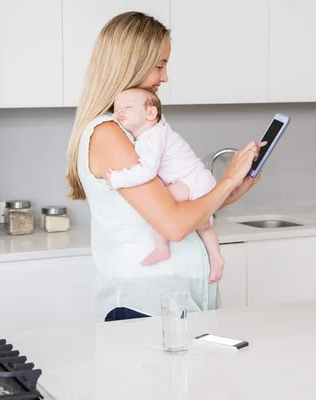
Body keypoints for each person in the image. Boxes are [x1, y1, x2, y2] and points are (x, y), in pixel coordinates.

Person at [65, 11, 264, 322]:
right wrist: (225, 180)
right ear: (129, 63)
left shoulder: (134, 130)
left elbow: (176, 207)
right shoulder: (108, 133)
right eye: (160, 65)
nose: (165, 77)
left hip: (171, 303)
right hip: (142, 305)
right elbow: (174, 225)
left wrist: (231, 192)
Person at [105, 87, 231, 285]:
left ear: (151, 113)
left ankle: (162, 248)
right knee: (204, 227)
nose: (119, 112)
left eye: (128, 107)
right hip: (198, 179)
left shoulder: (151, 137)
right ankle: (216, 258)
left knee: (159, 210)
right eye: (116, 109)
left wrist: (117, 179)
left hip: (191, 181)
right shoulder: (156, 131)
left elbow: (147, 171)